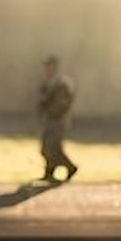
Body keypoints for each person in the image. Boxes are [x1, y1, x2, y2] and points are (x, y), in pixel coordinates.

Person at [36, 54, 78, 183]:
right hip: (50, 119)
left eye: (49, 66)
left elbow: (63, 103)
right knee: (46, 147)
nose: (47, 69)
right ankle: (49, 172)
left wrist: (52, 111)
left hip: (58, 120)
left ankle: (70, 167)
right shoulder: (48, 82)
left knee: (53, 147)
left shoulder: (61, 83)